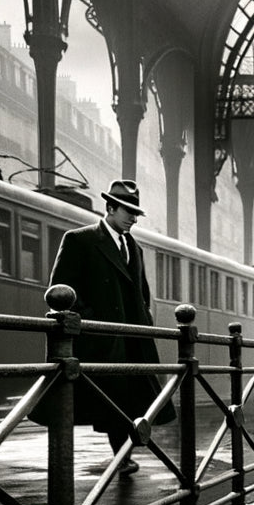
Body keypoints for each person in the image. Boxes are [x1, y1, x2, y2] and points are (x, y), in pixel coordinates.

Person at [43, 179, 175, 473]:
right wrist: (91, 321)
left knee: (132, 398)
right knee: (111, 400)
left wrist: (145, 323)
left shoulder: (133, 247)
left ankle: (123, 456)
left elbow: (141, 293)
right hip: (101, 339)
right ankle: (117, 458)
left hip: (132, 338)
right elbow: (60, 288)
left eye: (136, 213)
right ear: (110, 208)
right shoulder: (80, 240)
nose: (133, 218)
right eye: (127, 211)